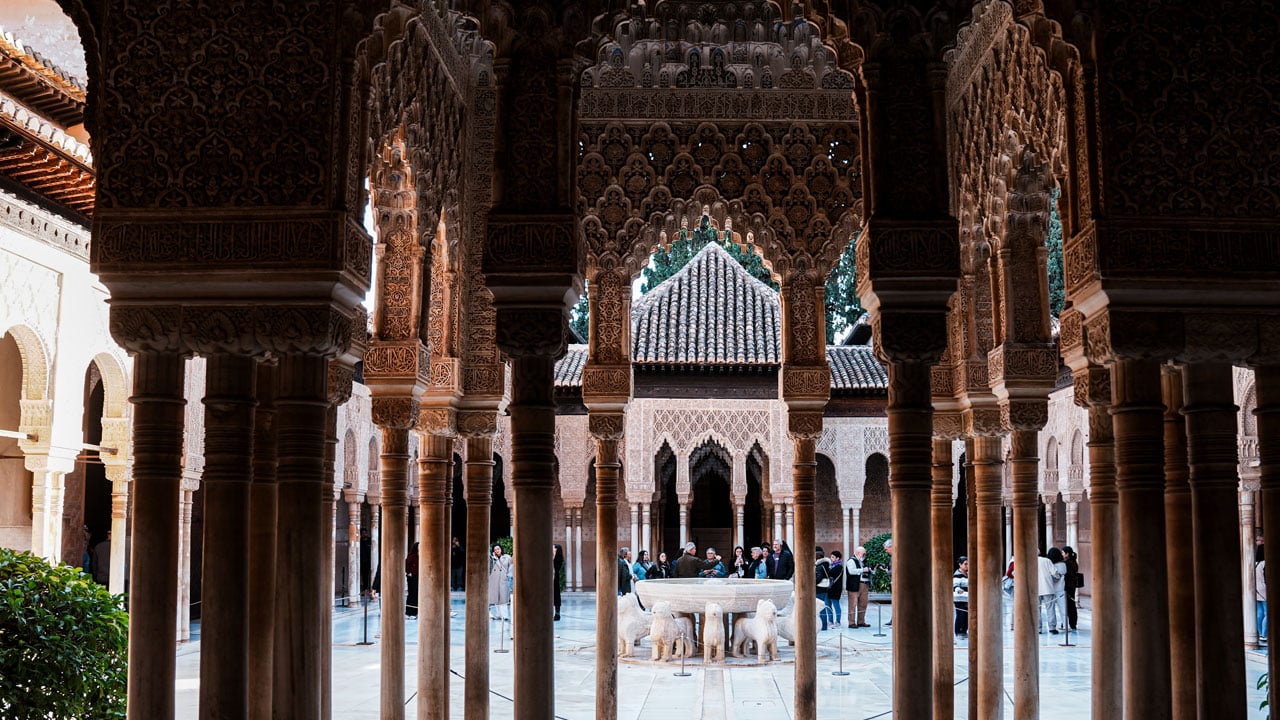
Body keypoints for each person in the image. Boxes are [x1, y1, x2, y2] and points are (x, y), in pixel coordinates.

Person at [1037, 549, 1063, 633]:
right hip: (1047, 587)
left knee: (1036, 609)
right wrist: (1057, 578)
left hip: (1034, 589)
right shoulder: (1046, 560)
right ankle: (1052, 628)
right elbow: (1054, 572)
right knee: (1050, 608)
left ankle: (1038, 628)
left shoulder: (1029, 561)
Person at [847, 546, 871, 628]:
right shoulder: (851, 561)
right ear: (858, 553)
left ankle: (861, 621)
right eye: (863, 553)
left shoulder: (863, 561)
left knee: (863, 604)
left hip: (864, 584)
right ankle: (851, 623)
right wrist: (863, 570)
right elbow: (851, 571)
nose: (864, 555)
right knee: (852, 605)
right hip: (854, 585)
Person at [488, 544, 512, 621]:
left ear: (501, 549)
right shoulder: (492, 559)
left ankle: (504, 615)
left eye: (498, 549)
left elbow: (511, 567)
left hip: (504, 579)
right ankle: (499, 614)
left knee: (503, 598)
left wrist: (508, 576)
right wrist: (494, 558)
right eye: (495, 550)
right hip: (494, 580)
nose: (497, 551)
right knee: (496, 598)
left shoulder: (507, 557)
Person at [1062, 545, 1080, 631]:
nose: (1061, 554)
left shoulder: (1067, 564)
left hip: (1068, 587)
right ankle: (1073, 623)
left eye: (1063, 552)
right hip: (1072, 586)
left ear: (1067, 554)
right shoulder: (1074, 562)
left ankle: (1072, 624)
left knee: (1069, 606)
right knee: (1071, 605)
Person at [815, 547, 833, 630]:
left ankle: (823, 625)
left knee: (820, 607)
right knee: (822, 606)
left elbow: (819, 577)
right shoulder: (826, 564)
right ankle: (824, 625)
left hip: (819, 588)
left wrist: (812, 583)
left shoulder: (819, 566)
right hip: (825, 587)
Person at [953, 556, 970, 635]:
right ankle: (958, 632)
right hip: (959, 598)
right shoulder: (957, 574)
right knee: (960, 615)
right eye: (965, 564)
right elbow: (955, 586)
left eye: (968, 564)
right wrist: (959, 590)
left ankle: (964, 631)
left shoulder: (968, 574)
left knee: (966, 615)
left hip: (967, 598)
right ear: (960, 564)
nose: (967, 566)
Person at [405, 542, 420, 618]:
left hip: (418, 577)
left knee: (417, 594)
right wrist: (408, 572)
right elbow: (406, 564)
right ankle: (410, 612)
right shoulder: (412, 556)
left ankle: (416, 611)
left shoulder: (420, 556)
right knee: (412, 594)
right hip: (412, 578)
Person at [1258, 545, 1267, 643]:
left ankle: (1260, 633)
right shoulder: (1264, 563)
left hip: (1255, 590)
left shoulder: (1255, 563)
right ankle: (1264, 634)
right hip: (1263, 589)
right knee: (1267, 613)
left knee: (1259, 612)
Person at [552, 544, 565, 621]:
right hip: (550, 579)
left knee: (556, 596)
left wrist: (553, 555)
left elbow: (555, 567)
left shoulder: (558, 559)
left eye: (554, 548)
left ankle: (557, 614)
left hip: (554, 580)